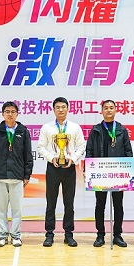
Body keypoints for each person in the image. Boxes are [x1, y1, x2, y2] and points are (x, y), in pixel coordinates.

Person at [37, 97, 86, 247]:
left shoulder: (75, 128)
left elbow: (81, 146)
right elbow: (41, 147)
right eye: (57, 107)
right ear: (53, 110)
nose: (61, 110)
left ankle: (68, 234)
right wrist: (51, 158)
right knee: (50, 202)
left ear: (68, 109)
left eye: (63, 107)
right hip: (53, 167)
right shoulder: (47, 128)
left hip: (69, 168)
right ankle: (49, 234)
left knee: (69, 203)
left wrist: (73, 158)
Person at [86, 99, 133, 248]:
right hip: (100, 173)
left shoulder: (121, 130)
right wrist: (88, 169)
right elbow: (89, 150)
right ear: (101, 111)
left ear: (116, 110)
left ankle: (117, 235)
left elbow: (128, 151)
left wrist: (129, 172)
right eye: (106, 108)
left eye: (111, 107)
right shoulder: (96, 130)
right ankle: (100, 235)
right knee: (100, 205)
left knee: (118, 205)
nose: (108, 110)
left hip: (117, 173)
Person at [0, 102, 34, 247]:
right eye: (7, 111)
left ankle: (16, 235)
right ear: (3, 114)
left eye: (13, 111)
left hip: (17, 176)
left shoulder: (23, 131)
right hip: (1, 176)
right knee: (1, 209)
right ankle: (2, 235)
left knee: (17, 209)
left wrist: (27, 175)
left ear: (17, 114)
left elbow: (28, 155)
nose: (10, 114)